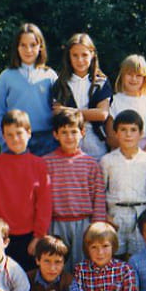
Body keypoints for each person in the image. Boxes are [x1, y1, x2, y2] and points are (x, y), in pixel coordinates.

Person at [0, 109, 51, 272]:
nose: (15, 139)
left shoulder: (39, 165)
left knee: (28, 279)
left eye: (19, 133)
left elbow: (44, 203)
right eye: (9, 135)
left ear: (29, 133)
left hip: (29, 236)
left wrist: (39, 235)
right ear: (3, 136)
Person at [43, 108, 106, 269]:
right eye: (64, 132)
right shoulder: (46, 162)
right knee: (57, 265)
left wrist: (97, 227)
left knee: (83, 266)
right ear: (55, 134)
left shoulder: (91, 164)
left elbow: (98, 197)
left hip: (83, 224)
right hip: (56, 224)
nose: (69, 137)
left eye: (73, 132)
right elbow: (42, 198)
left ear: (82, 132)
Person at [0, 23, 58, 156]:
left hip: (46, 140)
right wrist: (3, 140)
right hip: (15, 139)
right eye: (23, 45)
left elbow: (58, 109)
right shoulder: (6, 77)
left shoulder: (50, 76)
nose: (28, 50)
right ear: (17, 47)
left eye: (33, 45)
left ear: (40, 47)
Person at [99, 110, 146, 258]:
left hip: (141, 213)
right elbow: (99, 192)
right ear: (116, 133)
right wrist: (105, 216)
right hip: (116, 215)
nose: (128, 134)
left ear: (141, 133)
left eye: (133, 130)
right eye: (123, 130)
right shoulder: (107, 161)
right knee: (114, 256)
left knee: (139, 257)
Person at [51, 33, 112, 160]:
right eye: (75, 55)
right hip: (68, 143)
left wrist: (68, 111)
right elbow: (57, 112)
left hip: (96, 145)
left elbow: (102, 114)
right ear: (69, 56)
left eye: (84, 55)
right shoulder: (61, 82)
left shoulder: (100, 82)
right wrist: (89, 113)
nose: (80, 60)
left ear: (92, 54)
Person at [106, 54, 146, 154]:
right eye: (129, 74)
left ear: (144, 78)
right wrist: (129, 154)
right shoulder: (113, 101)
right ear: (122, 76)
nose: (134, 79)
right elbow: (110, 136)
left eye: (138, 75)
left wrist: (141, 157)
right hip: (120, 155)